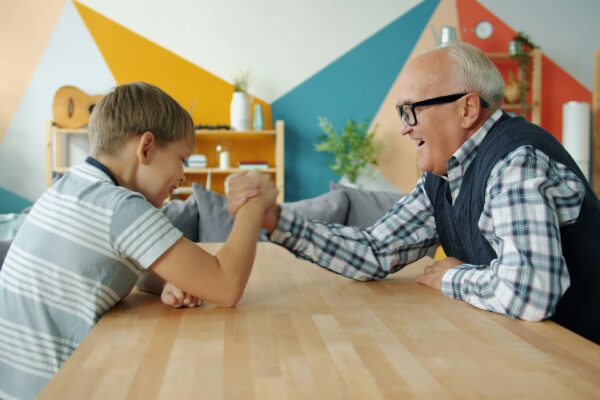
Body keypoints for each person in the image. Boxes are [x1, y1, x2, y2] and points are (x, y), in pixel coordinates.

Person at [226, 41, 600, 344]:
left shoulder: (516, 162)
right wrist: (278, 220)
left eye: (410, 110)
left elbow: (530, 292)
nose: (404, 128)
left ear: (466, 109)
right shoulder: (444, 174)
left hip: (581, 357)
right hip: (528, 348)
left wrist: (451, 277)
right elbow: (374, 252)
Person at [0, 82, 277, 399]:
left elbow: (101, 268)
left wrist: (166, 282)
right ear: (145, 148)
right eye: (182, 159)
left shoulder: (71, 186)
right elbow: (226, 286)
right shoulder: (121, 208)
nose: (183, 175)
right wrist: (254, 205)